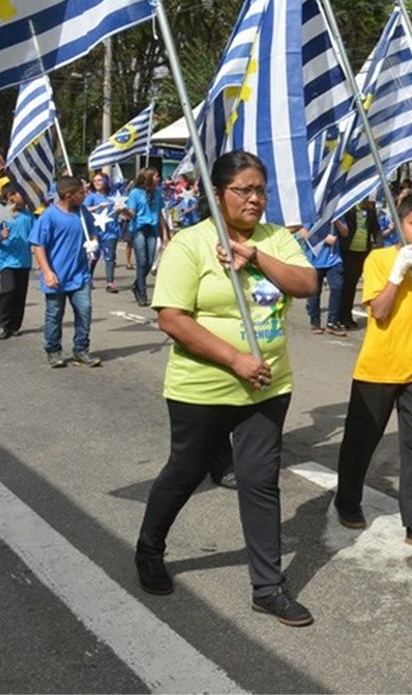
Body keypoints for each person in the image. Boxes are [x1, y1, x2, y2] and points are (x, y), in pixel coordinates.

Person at [135, 151, 318, 626]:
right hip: (203, 387)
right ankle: (149, 549)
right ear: (218, 194)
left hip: (267, 387)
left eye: (261, 189)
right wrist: (235, 358)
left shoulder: (275, 237)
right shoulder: (191, 244)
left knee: (260, 481)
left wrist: (257, 256)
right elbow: (171, 318)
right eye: (244, 190)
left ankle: (267, 588)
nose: (255, 199)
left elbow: (307, 283)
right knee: (186, 470)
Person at [334, 192, 412, 554]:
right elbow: (381, 311)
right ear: (400, 225)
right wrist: (397, 274)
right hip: (378, 367)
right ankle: (347, 500)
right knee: (361, 441)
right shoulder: (378, 258)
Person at [30, 175, 99, 368]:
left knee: (84, 311)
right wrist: (47, 272)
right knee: (54, 314)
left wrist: (93, 242)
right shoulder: (49, 216)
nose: (85, 195)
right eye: (81, 193)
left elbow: (92, 231)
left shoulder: (83, 213)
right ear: (69, 195)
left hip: (80, 275)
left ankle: (81, 349)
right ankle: (53, 350)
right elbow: (38, 245)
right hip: (57, 277)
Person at [0, 184, 35, 339]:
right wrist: (0, 237)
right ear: (11, 197)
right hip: (6, 261)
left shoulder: (27, 216)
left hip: (23, 261)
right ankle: (1, 323)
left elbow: (35, 237)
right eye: (22, 194)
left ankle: (14, 325)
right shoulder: (0, 216)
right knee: (9, 289)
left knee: (20, 293)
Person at [121, 168, 167, 307]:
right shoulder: (135, 193)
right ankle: (142, 293)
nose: (159, 178)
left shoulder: (157, 193)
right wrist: (124, 211)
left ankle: (136, 284)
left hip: (152, 229)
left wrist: (165, 233)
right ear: (148, 177)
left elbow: (160, 214)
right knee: (141, 261)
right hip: (139, 228)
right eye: (156, 176)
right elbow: (132, 213)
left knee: (149, 262)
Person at [334, 196, 380, 332]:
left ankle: (344, 316)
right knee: (347, 284)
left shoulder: (370, 207)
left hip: (363, 250)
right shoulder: (348, 205)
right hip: (348, 250)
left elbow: (375, 228)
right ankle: (342, 317)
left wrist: (380, 246)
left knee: (352, 284)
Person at [83, 171, 123, 293]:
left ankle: (110, 282)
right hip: (96, 231)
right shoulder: (92, 196)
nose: (97, 183)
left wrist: (119, 210)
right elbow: (84, 210)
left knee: (110, 257)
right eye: (95, 181)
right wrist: (98, 207)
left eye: (99, 180)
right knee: (94, 255)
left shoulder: (114, 196)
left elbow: (121, 207)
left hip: (111, 230)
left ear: (106, 181)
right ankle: (88, 279)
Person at [301, 227, 343, 337]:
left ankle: (332, 322)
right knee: (315, 291)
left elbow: (345, 232)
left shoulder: (337, 215)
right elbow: (304, 233)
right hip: (315, 259)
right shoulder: (312, 213)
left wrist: (338, 222)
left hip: (334, 259)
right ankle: (315, 322)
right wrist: (324, 238)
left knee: (337, 287)